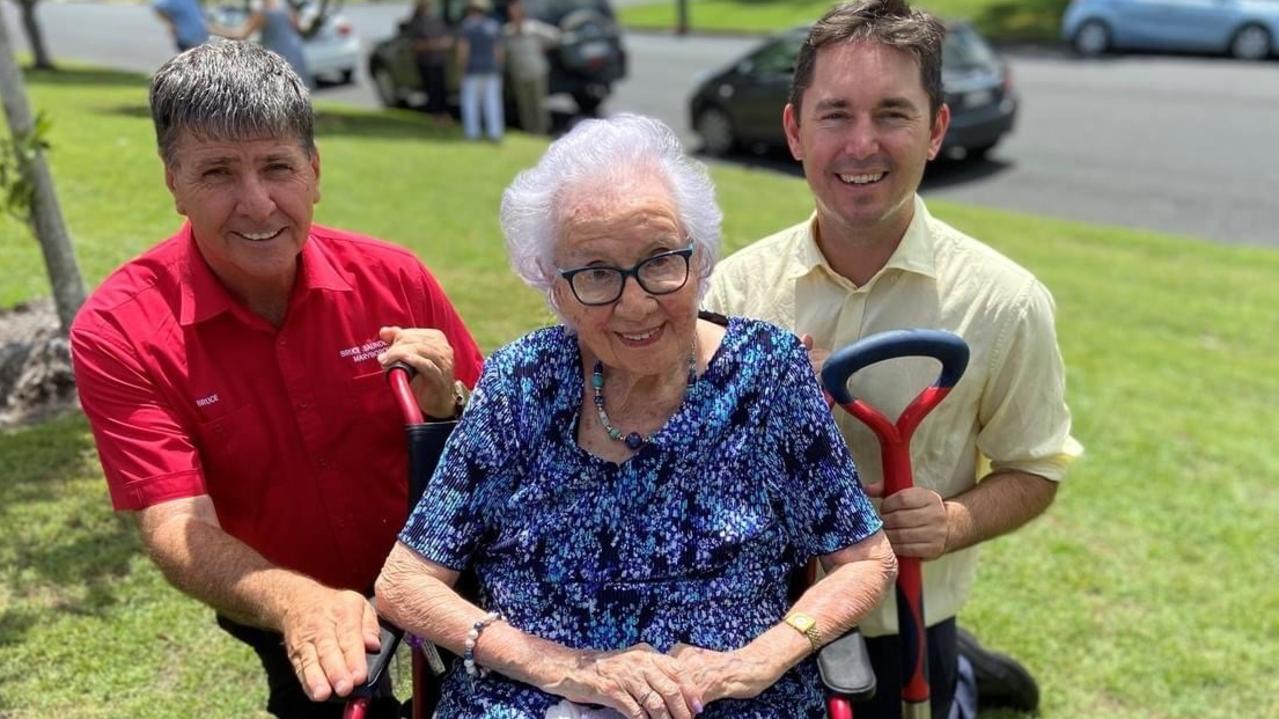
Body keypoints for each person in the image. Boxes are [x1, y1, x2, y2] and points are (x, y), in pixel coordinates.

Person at [374, 114, 897, 718]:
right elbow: (404, 584)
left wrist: (762, 658)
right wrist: (569, 670)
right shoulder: (522, 381)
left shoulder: (769, 372)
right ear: (553, 286)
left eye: (659, 261)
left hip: (725, 700)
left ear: (699, 259)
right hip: (531, 700)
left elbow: (865, 561)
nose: (637, 302)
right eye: (596, 273)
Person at [69, 42, 484, 719]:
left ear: (314, 171)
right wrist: (300, 603)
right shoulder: (119, 329)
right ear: (172, 181)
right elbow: (176, 525)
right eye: (218, 172)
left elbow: (506, 452)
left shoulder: (397, 278)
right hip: (282, 597)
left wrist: (449, 406)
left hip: (444, 575)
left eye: (277, 167)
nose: (257, 204)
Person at [704, 1, 1083, 717]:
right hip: (751, 629)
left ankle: (961, 672)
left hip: (901, 630)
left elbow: (1033, 468)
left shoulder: (1003, 303)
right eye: (835, 114)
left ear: (935, 130)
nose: (861, 144)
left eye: (893, 114)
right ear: (794, 130)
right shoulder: (733, 289)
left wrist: (952, 522)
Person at [211, 0, 312, 89]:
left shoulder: (263, 12)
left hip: (279, 56)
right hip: (295, 51)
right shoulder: (284, 7)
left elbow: (240, 35)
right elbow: (299, 26)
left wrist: (213, 29)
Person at [503, 0, 559, 135]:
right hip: (519, 73)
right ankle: (530, 132)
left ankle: (542, 131)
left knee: (539, 104)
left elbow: (555, 36)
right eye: (512, 10)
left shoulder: (533, 28)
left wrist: (544, 48)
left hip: (536, 71)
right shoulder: (507, 31)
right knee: (525, 106)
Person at [456, 0, 504, 142]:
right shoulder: (493, 26)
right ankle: (495, 133)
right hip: (491, 69)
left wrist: (461, 68)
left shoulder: (467, 26)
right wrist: (499, 67)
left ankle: (472, 133)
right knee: (492, 102)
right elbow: (498, 51)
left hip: (472, 69)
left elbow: (463, 50)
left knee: (471, 102)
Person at [406, 0, 454, 124]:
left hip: (439, 61)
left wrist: (436, 44)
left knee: (441, 89)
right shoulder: (416, 23)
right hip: (426, 62)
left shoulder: (437, 21)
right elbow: (415, 44)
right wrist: (435, 44)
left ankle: (444, 115)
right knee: (431, 90)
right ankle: (435, 116)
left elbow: (448, 39)